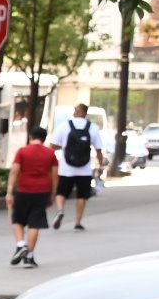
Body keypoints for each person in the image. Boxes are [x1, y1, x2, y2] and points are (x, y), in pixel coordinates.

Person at [7, 125, 59, 267]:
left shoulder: (22, 151)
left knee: (17, 219)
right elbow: (54, 174)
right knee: (35, 222)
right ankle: (29, 256)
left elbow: (14, 171)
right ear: (44, 138)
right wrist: (53, 192)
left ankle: (21, 244)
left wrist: (9, 191)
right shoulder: (50, 153)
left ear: (30, 136)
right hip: (42, 190)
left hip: (24, 189)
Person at [49, 103, 104, 230]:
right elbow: (99, 150)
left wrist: (64, 147)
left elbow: (53, 146)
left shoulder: (64, 126)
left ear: (76, 112)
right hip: (84, 169)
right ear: (86, 113)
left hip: (66, 168)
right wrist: (100, 166)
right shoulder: (92, 128)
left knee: (61, 193)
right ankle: (78, 222)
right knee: (82, 196)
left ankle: (60, 210)